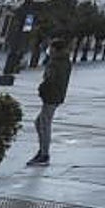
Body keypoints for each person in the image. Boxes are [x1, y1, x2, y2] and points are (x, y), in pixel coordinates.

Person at [27, 37, 72, 166]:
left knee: (44, 124)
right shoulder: (65, 61)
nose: (49, 50)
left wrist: (42, 89)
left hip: (51, 96)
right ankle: (42, 150)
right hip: (56, 95)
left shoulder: (55, 62)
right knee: (39, 122)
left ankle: (44, 155)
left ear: (55, 49)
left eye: (51, 48)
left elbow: (50, 79)